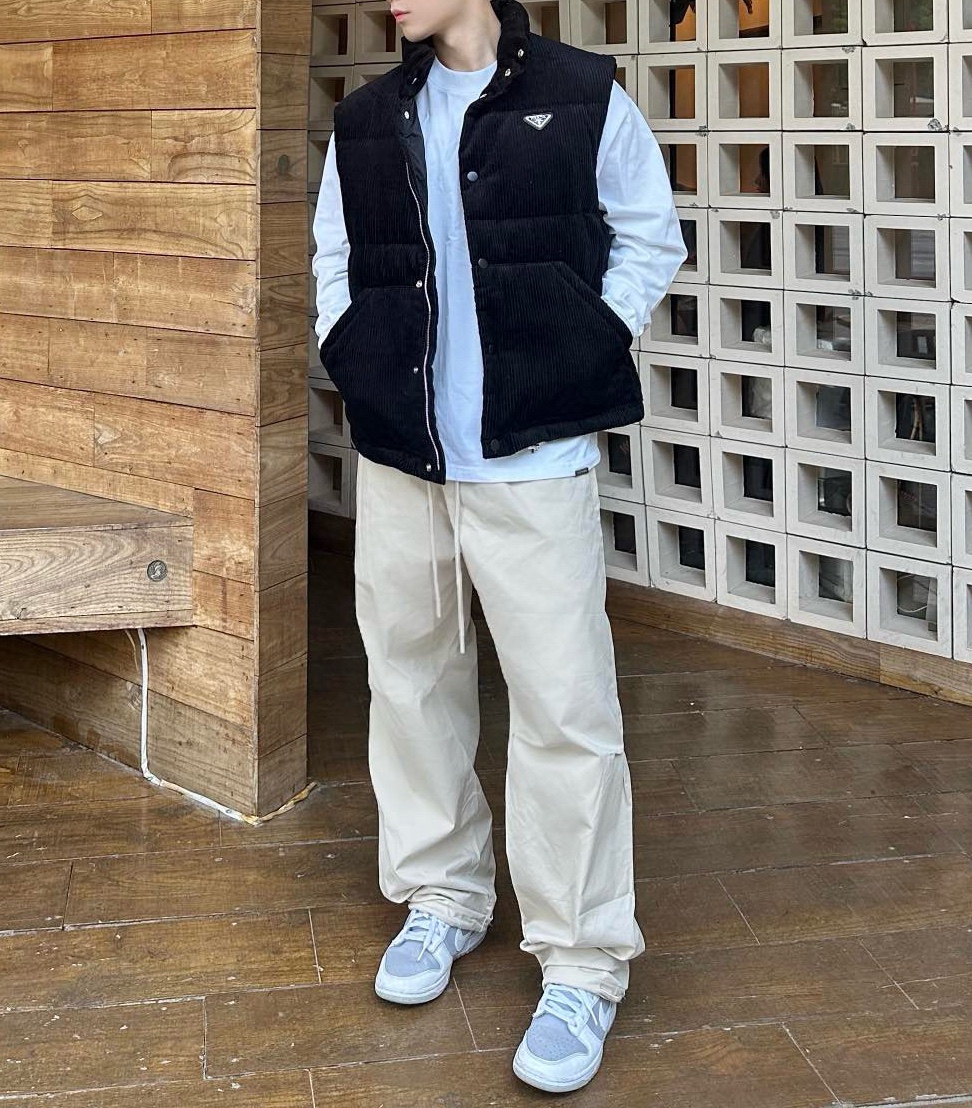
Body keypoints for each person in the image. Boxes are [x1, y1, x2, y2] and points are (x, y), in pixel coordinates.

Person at [311, 0, 685, 1091]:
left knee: (565, 707)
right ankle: (444, 894)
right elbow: (335, 256)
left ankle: (582, 958)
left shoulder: (581, 92)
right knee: (409, 681)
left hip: (531, 459)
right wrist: (353, 349)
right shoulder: (366, 119)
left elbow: (650, 233)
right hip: (402, 455)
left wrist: (586, 339)